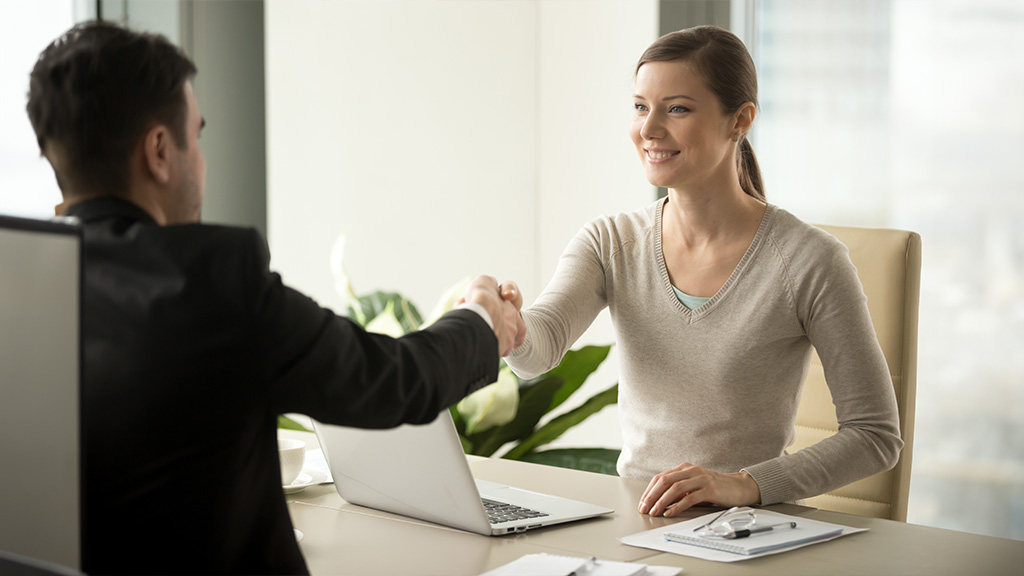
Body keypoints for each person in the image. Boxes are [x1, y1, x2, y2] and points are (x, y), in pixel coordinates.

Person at [26, 21, 524, 575]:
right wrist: (482, 320)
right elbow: (391, 381)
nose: (203, 163)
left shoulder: (19, 281)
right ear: (160, 151)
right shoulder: (212, 280)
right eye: (198, 136)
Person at [505, 25, 902, 519]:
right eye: (639, 106)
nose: (648, 130)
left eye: (677, 109)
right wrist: (511, 326)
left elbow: (875, 436)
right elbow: (537, 353)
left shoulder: (809, 261)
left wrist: (742, 484)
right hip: (637, 522)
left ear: (740, 120)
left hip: (750, 530)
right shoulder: (609, 242)